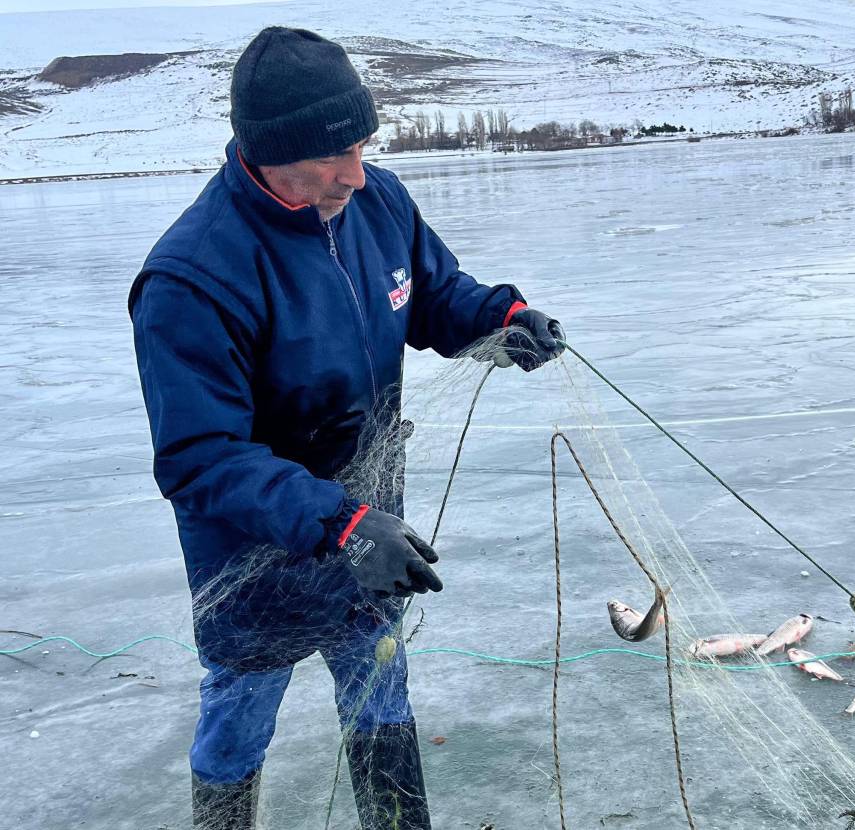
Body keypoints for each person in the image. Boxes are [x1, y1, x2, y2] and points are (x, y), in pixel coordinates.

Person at [129, 26, 564, 830]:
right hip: (256, 561)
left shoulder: (377, 200)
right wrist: (342, 524)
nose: (357, 176)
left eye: (363, 148)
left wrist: (499, 318)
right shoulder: (193, 276)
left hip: (371, 535)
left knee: (381, 690)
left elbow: (431, 294)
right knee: (240, 716)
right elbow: (200, 458)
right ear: (272, 154)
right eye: (336, 157)